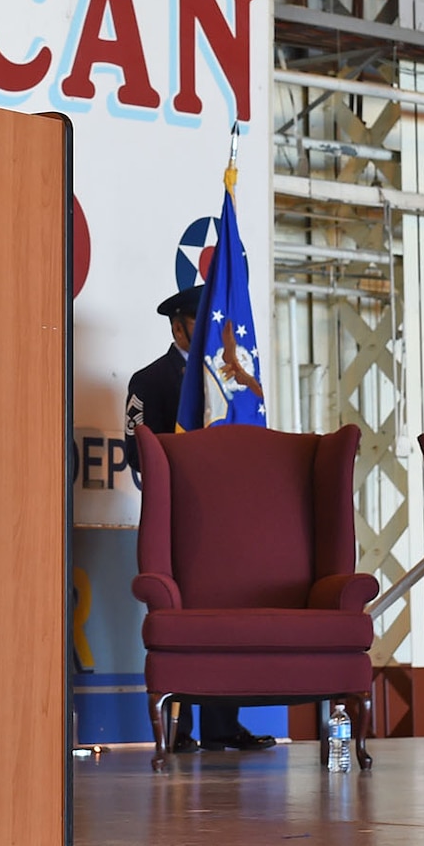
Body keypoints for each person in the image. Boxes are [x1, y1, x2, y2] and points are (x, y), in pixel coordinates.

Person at [124, 285, 275, 753]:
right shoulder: (149, 380)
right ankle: (179, 728)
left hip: (227, 522)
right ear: (177, 326)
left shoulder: (232, 379)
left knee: (227, 623)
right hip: (176, 521)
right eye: (202, 322)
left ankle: (222, 725)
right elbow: (137, 450)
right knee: (181, 623)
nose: (214, 331)